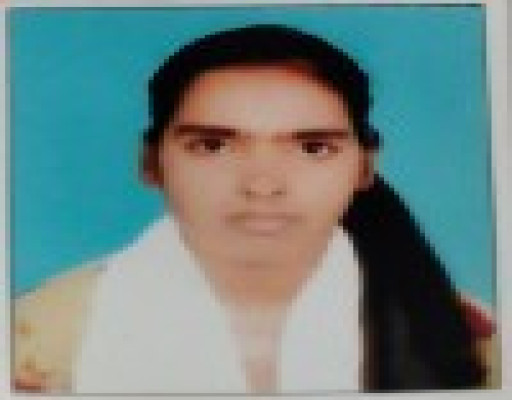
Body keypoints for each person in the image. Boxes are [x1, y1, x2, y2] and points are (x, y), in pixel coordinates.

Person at [13, 24, 498, 393]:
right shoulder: (32, 341)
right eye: (212, 145)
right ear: (151, 163)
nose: (262, 184)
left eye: (313, 148)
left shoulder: (468, 341)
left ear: (365, 167)